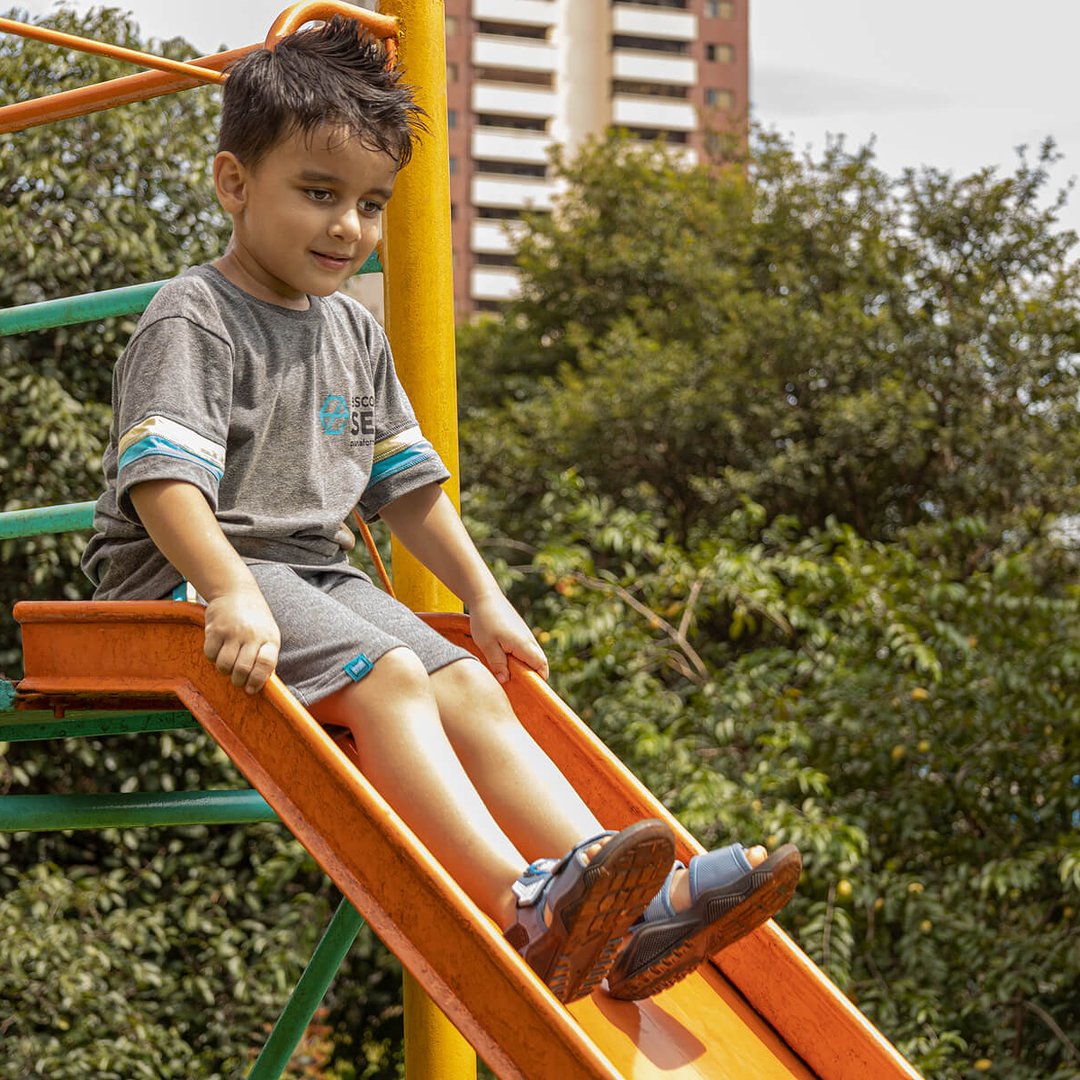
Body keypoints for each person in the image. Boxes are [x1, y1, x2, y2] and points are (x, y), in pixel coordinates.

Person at [81, 16, 800, 1003]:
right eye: (319, 193)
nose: (349, 227)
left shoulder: (352, 330)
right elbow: (161, 480)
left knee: (465, 682)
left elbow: (410, 489)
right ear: (234, 184)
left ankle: (636, 907)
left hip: (309, 569)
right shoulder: (195, 315)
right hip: (187, 575)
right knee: (388, 679)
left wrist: (484, 597)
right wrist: (228, 591)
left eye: (371, 203)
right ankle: (520, 902)